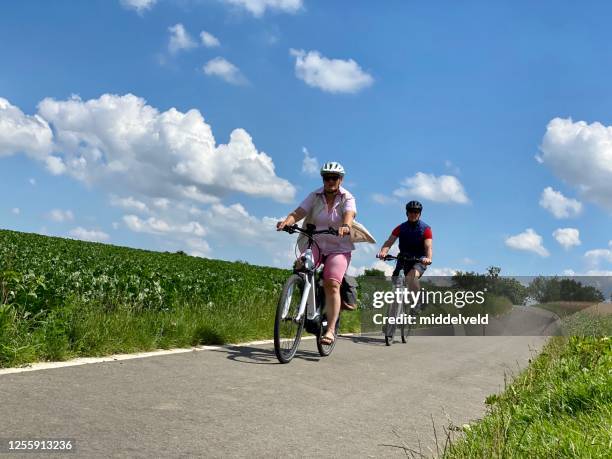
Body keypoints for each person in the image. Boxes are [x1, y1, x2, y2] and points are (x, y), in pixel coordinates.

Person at [276, 161, 356, 345]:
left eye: (334, 178)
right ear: (323, 179)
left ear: (340, 180)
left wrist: (345, 226)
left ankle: (330, 330)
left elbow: (349, 214)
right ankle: (301, 302)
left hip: (339, 247)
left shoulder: (347, 198)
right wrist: (286, 222)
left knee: (331, 283)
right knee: (300, 266)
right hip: (316, 243)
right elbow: (299, 212)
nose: (330, 181)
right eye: (326, 177)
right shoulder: (315, 195)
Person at [376, 200, 432, 310]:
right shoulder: (400, 228)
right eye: (411, 211)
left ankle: (418, 301)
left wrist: (428, 258)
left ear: (419, 214)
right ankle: (392, 316)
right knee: (396, 281)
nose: (413, 213)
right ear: (407, 213)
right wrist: (383, 252)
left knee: (411, 276)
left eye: (416, 212)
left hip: (419, 259)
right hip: (403, 257)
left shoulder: (426, 229)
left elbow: (428, 246)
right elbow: (389, 242)